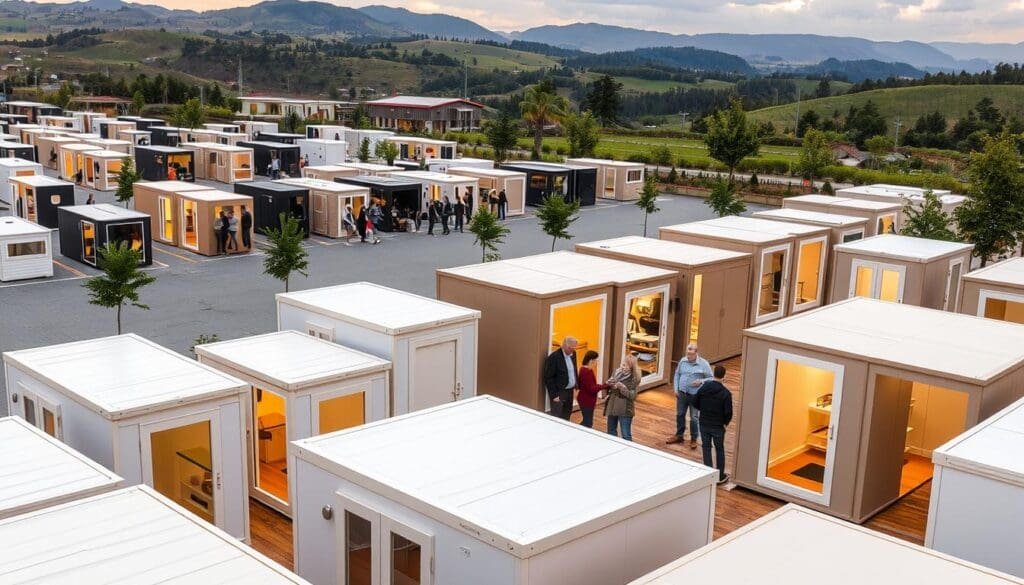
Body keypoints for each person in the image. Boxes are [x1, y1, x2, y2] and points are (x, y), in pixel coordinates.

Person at [693, 365, 733, 485]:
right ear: (724, 376)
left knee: (706, 447)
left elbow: (695, 402)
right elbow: (728, 413)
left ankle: (708, 474)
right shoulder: (726, 393)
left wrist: (704, 411)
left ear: (713, 374)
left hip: (704, 423)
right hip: (718, 426)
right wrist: (725, 423)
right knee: (719, 449)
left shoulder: (704, 388)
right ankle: (720, 476)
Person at [667, 343, 712, 449]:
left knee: (694, 418)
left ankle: (694, 439)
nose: (688, 356)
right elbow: (677, 374)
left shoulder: (704, 364)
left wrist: (701, 381)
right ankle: (679, 435)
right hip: (682, 393)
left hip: (695, 395)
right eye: (687, 354)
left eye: (690, 354)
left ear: (696, 353)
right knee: (680, 414)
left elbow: (711, 378)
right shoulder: (683, 361)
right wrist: (676, 388)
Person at [604, 353, 640, 441]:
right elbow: (611, 384)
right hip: (612, 405)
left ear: (631, 368)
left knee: (626, 435)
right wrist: (609, 384)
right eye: (623, 364)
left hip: (625, 409)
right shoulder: (616, 372)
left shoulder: (634, 378)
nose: (623, 367)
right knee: (610, 432)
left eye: (626, 366)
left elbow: (633, 396)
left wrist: (622, 388)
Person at [542, 337, 577, 420]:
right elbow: (548, 378)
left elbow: (574, 370)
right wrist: (554, 395)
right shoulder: (554, 357)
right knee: (557, 418)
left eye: (574, 348)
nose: (572, 351)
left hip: (570, 392)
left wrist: (576, 386)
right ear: (564, 346)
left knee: (567, 416)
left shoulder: (573, 354)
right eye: (571, 348)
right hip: (559, 393)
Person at [576, 350, 605, 429]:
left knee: (587, 421)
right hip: (586, 400)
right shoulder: (586, 372)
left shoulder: (586, 370)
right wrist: (604, 386)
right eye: (596, 360)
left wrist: (602, 385)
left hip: (586, 400)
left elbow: (591, 386)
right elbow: (591, 389)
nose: (596, 362)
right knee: (587, 423)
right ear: (591, 360)